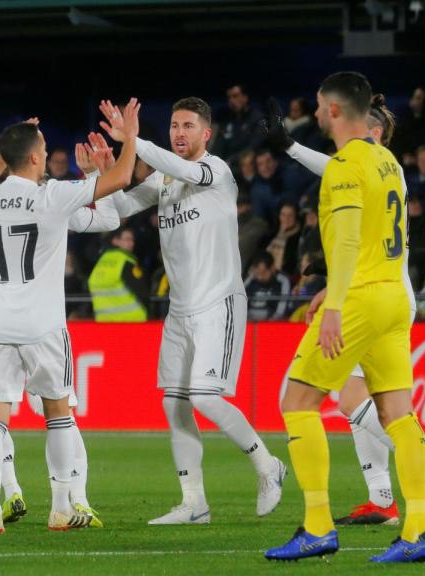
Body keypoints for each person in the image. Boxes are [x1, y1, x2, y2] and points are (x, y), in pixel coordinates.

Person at [264, 88, 425, 533]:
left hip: (370, 294)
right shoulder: (389, 169)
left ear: (374, 133)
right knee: (368, 403)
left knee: (330, 400)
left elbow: (340, 188)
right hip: (388, 291)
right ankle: (384, 498)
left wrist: (290, 147)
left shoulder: (364, 162)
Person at [105, 96, 286, 526]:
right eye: (173, 125)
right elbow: (119, 211)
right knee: (174, 405)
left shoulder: (217, 172)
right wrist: (100, 175)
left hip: (217, 303)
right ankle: (194, 504)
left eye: (188, 126)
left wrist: (134, 140)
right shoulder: (164, 180)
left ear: (206, 134)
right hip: (180, 311)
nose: (179, 133)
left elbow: (184, 168)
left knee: (205, 396)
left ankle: (267, 464)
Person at [0, 100, 139, 534]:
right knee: (58, 414)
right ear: (35, 158)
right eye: (42, 146)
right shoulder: (51, 195)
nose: (47, 152)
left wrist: (6, 153)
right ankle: (62, 506)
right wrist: (130, 137)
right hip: (42, 326)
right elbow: (120, 178)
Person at [88, 226, 148, 322]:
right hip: (132, 321)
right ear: (115, 241)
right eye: (127, 239)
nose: (131, 243)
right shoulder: (126, 260)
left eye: (132, 240)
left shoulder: (102, 260)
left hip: (105, 322)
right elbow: (141, 290)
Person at [244, 251, 291, 320]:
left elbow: (282, 308)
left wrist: (270, 323)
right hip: (248, 323)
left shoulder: (282, 281)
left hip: (270, 325)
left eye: (263, 273)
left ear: (272, 268)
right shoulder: (250, 279)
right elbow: (239, 299)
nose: (260, 278)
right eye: (257, 274)